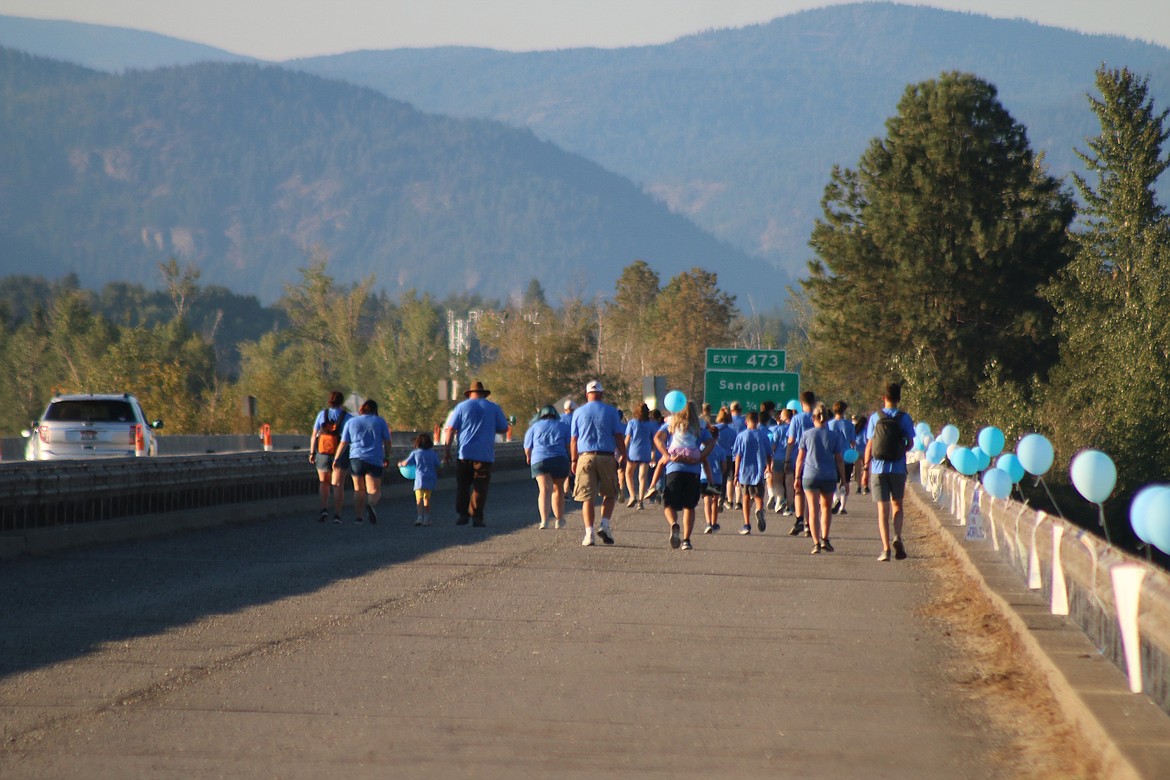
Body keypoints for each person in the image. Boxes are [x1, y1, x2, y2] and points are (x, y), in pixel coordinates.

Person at [445, 380, 510, 527]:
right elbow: (504, 429)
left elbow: (450, 429)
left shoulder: (461, 407)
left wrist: (447, 451)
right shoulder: (494, 408)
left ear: (469, 394)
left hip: (464, 453)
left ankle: (463, 515)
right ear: (483, 394)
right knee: (480, 486)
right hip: (484, 455)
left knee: (463, 485)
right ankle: (476, 516)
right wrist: (489, 427)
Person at [864, 383, 917, 561]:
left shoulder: (875, 418)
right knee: (897, 505)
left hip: (878, 468)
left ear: (883, 398)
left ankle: (885, 549)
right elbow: (910, 444)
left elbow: (870, 444)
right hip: (898, 467)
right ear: (899, 399)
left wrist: (865, 467)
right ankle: (897, 536)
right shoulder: (905, 418)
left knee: (882, 509)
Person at [570, 380, 627, 546]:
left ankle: (589, 534)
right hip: (607, 456)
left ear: (587, 394)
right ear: (601, 394)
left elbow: (574, 439)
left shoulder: (578, 412)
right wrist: (623, 455)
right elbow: (618, 436)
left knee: (587, 497)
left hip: (585, 456)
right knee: (610, 493)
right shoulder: (611, 412)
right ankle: (605, 524)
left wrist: (573, 460)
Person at [653, 401, 715, 550]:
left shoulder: (671, 422)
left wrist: (667, 455)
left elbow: (657, 438)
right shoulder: (699, 424)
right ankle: (686, 540)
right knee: (689, 506)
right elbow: (711, 442)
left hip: (674, 468)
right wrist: (700, 456)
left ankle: (674, 524)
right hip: (693, 470)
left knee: (668, 503)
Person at [796, 402, 847, 554]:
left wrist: (796, 477)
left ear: (813, 418)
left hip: (810, 475)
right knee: (826, 509)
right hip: (829, 476)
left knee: (813, 510)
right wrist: (844, 480)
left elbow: (800, 459)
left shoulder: (806, 435)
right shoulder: (834, 436)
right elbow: (839, 459)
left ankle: (815, 542)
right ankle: (825, 538)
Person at [333, 399, 392, 525]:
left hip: (356, 459)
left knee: (358, 490)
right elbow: (387, 441)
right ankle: (370, 505)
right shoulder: (380, 422)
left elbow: (344, 442)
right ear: (375, 409)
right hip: (374, 459)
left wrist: (336, 458)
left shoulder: (351, 422)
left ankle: (358, 517)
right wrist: (387, 456)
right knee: (374, 490)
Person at [524, 404, 571, 529]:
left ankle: (544, 521)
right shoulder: (563, 426)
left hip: (539, 459)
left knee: (544, 490)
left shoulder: (534, 427)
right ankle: (559, 520)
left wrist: (529, 457)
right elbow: (568, 446)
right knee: (558, 489)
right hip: (559, 459)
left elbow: (528, 447)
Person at [309, 390, 350, 524]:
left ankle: (324, 509)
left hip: (323, 453)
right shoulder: (347, 417)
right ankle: (337, 515)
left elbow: (314, 434)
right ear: (342, 402)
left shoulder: (322, 414)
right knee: (338, 485)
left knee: (324, 483)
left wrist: (312, 453)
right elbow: (349, 439)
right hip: (340, 454)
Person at [732, 411, 772, 535]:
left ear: (746, 422)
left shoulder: (741, 436)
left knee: (745, 498)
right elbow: (769, 454)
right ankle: (759, 510)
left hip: (745, 471)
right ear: (757, 421)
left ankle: (747, 524)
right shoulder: (762, 435)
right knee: (758, 496)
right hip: (758, 471)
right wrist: (769, 467)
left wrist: (736, 473)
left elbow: (737, 456)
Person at [785, 390, 817, 536]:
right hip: (815, 460)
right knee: (811, 492)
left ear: (801, 403)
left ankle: (799, 518)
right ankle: (809, 524)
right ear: (814, 402)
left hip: (798, 458)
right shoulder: (818, 418)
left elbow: (791, 441)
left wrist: (787, 458)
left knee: (798, 489)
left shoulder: (796, 419)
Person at [400, 433, 441, 526]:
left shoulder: (415, 453)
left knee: (419, 499)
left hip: (419, 479)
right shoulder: (433, 453)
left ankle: (419, 518)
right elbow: (438, 464)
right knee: (427, 499)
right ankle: (427, 518)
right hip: (430, 478)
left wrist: (400, 464)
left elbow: (406, 463)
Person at [624, 404, 658, 509]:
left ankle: (632, 495)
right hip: (646, 451)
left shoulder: (632, 423)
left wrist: (622, 451)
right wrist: (653, 453)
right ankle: (641, 502)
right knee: (642, 477)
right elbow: (654, 440)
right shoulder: (651, 425)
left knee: (628, 473)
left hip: (634, 451)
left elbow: (627, 439)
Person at [827, 401, 856, 515]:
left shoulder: (829, 424)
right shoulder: (849, 425)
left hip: (833, 455)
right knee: (846, 481)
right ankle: (842, 507)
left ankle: (836, 499)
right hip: (847, 456)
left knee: (833, 481)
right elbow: (853, 442)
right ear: (844, 410)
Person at [702, 424, 726, 534]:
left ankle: (708, 523)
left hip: (704, 477)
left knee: (707, 500)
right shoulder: (721, 450)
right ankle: (714, 522)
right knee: (715, 501)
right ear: (717, 436)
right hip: (717, 478)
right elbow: (724, 467)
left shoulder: (702, 448)